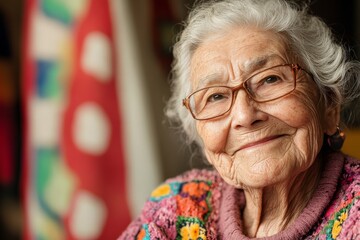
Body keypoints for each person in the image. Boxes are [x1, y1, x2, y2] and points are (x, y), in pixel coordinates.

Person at [119, 0, 360, 239]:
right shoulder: (176, 206)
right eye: (215, 97)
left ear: (329, 105)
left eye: (270, 79)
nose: (245, 116)